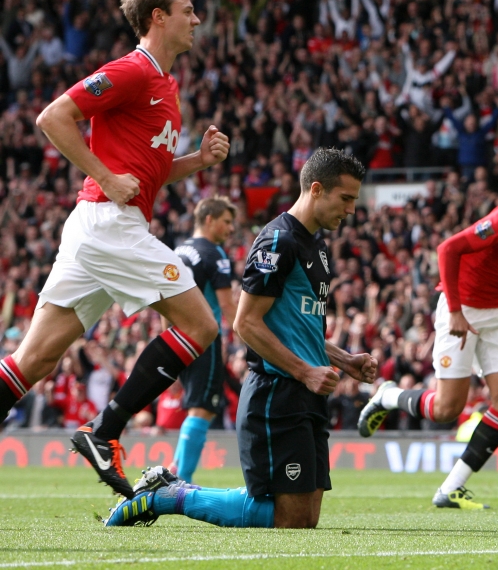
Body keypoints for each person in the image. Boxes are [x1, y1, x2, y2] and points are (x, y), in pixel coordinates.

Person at [0, 0, 230, 498]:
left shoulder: (165, 88)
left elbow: (146, 172)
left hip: (98, 227)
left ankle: (103, 431)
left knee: (32, 360)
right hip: (108, 223)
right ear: (158, 17)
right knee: (201, 325)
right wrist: (104, 175)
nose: (196, 20)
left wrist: (196, 160)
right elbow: (53, 117)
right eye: (187, 10)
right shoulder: (132, 71)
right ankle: (104, 430)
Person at [106, 148, 378, 528]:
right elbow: (246, 324)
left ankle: (169, 490)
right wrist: (304, 371)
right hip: (277, 393)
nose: (351, 210)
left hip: (307, 391)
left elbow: (299, 327)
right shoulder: (278, 241)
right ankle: (170, 494)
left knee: (305, 517)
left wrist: (345, 360)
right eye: (345, 198)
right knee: (290, 519)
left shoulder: (316, 244)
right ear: (316, 189)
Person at [357, 159, 498, 509]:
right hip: (461, 305)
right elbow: (448, 248)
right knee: (447, 408)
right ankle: (388, 396)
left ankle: (451, 488)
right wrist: (458, 311)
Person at [169, 196, 238, 483]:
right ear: (209, 219)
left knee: (197, 407)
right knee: (203, 408)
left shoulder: (177, 251)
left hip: (176, 337)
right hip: (205, 338)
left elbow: (165, 300)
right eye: (226, 221)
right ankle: (180, 479)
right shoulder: (215, 254)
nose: (231, 228)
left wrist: (168, 344)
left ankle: (175, 470)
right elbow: (228, 309)